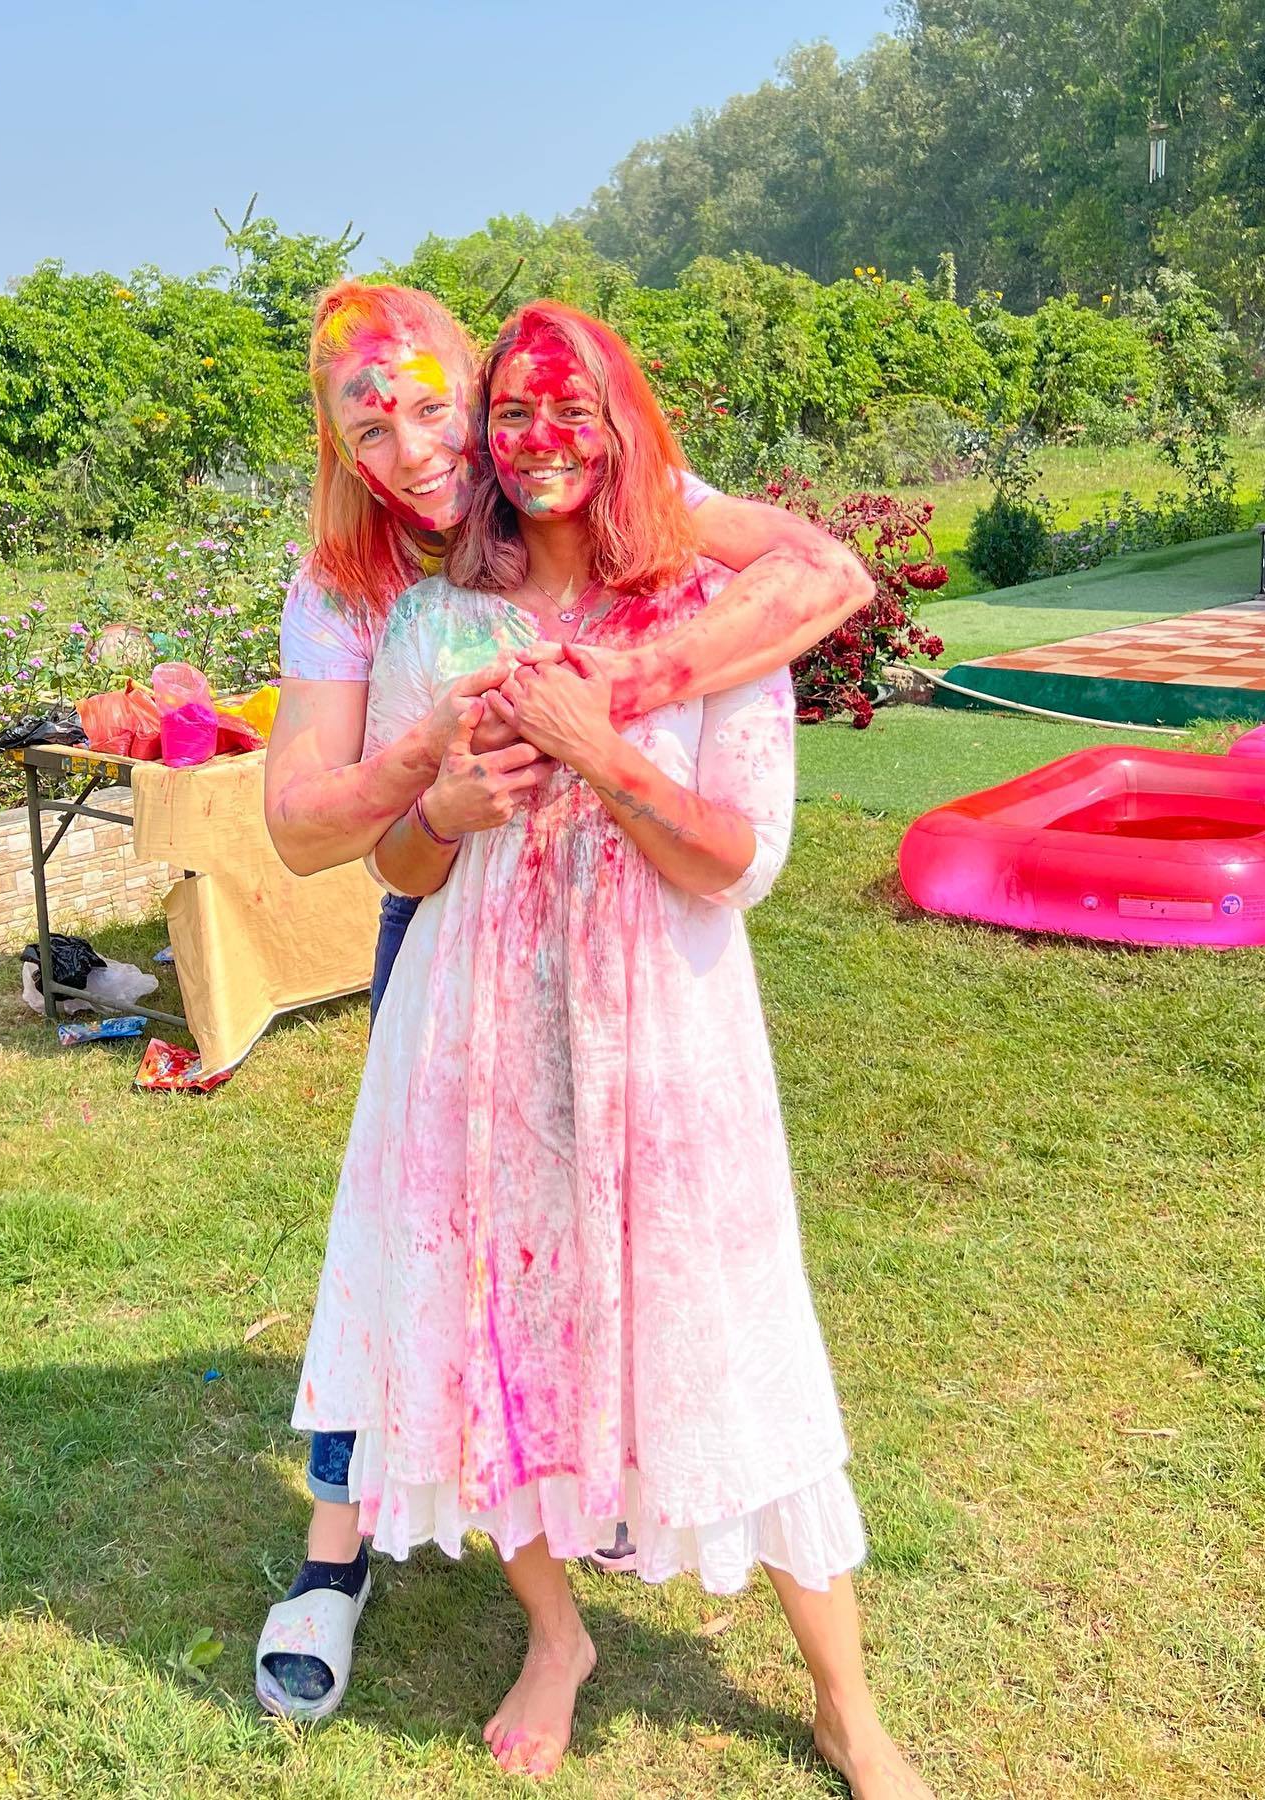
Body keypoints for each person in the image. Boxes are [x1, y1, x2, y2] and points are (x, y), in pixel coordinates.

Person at [290, 301, 934, 1798]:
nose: (537, 440)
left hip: (667, 1042)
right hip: (469, 1035)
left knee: (725, 1336)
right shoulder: (437, 621)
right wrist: (440, 809)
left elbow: (737, 862)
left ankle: (846, 1705)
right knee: (491, 1330)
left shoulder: (713, 615)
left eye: (569, 410)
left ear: (626, 424)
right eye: (513, 414)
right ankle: (556, 1634)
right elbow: (394, 862)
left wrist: (601, 745)